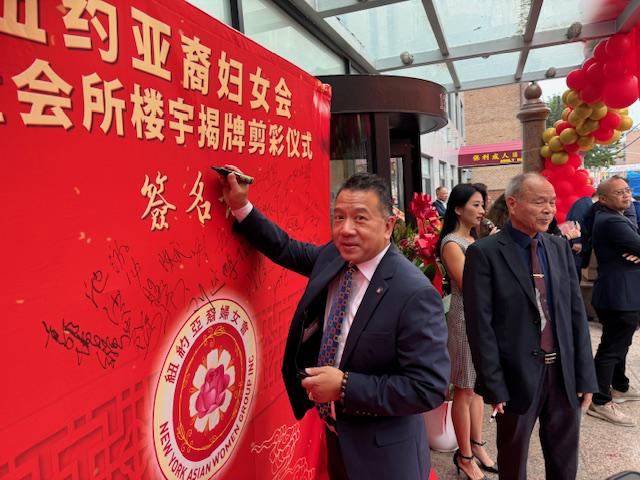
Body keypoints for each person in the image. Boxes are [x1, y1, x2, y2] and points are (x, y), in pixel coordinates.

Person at [220, 167, 450, 480]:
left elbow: (428, 388)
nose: (346, 229)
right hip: (337, 436)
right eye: (339, 217)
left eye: (360, 218)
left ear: (388, 226)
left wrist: (345, 386)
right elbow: (286, 248)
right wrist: (241, 207)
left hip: (384, 456)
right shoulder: (335, 257)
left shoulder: (412, 293)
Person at [463, 173, 597, 480]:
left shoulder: (558, 247)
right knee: (513, 460)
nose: (549, 210)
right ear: (513, 204)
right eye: (539, 202)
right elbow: (480, 326)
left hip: (562, 374)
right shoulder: (485, 253)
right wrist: (493, 384)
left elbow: (576, 314)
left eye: (552, 202)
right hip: (516, 377)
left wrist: (585, 375)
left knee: (565, 461)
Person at [437, 184, 496, 480]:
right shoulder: (452, 243)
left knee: (477, 389)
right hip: (464, 321)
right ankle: (464, 455)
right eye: (475, 205)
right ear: (458, 209)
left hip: (483, 321)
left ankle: (477, 444)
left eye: (482, 205)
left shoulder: (476, 240)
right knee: (464, 389)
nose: (482, 211)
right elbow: (469, 285)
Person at [587, 175, 640, 426]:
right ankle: (599, 400)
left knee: (621, 343)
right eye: (619, 193)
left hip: (622, 293)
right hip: (618, 295)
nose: (626, 195)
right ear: (604, 199)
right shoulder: (611, 220)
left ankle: (619, 386)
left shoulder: (616, 216)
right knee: (612, 348)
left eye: (627, 190)